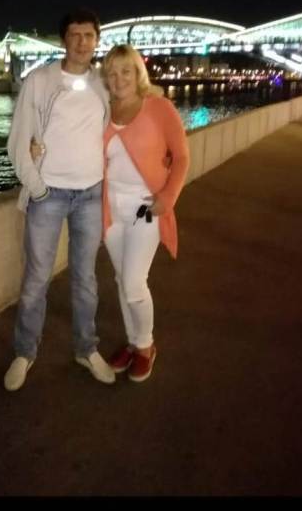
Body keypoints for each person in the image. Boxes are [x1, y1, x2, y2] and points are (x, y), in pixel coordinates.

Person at [4, 9, 115, 391]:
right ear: (63, 40)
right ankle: (25, 352)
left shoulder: (103, 83)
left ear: (97, 41)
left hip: (92, 194)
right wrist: (37, 188)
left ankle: (87, 349)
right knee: (36, 279)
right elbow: (18, 140)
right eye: (75, 35)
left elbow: (130, 110)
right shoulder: (40, 81)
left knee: (86, 279)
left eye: (89, 35)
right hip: (48, 194)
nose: (82, 42)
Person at [101, 45, 190, 382]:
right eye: (112, 72)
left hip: (145, 208)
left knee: (134, 282)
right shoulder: (103, 110)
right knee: (121, 280)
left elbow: (181, 157)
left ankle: (145, 346)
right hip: (111, 209)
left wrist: (168, 196)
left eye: (126, 70)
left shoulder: (158, 107)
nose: (119, 78)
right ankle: (133, 341)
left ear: (138, 72)